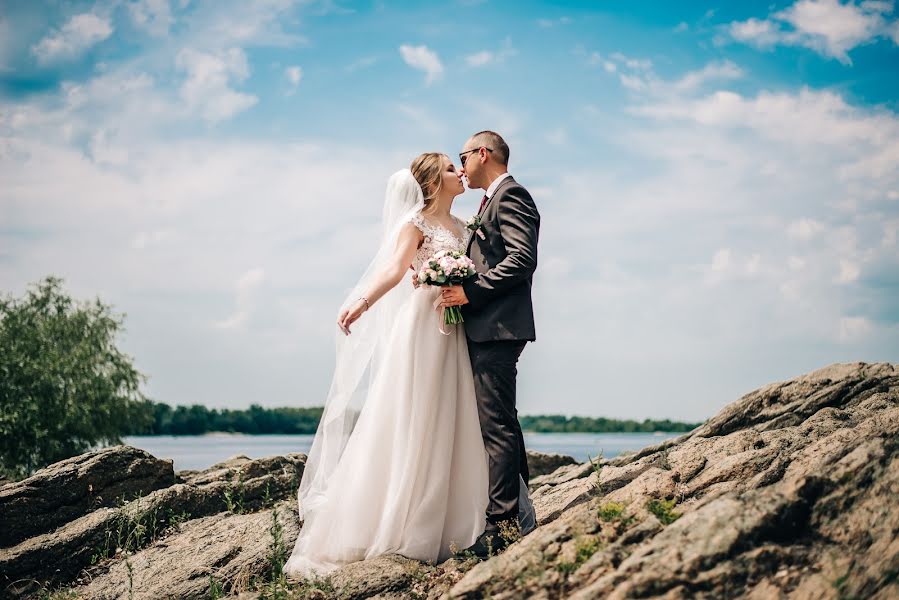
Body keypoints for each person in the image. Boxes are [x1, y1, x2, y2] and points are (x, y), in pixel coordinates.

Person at [284, 152, 535, 577]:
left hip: (456, 328)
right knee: (416, 413)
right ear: (434, 181)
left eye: (462, 164)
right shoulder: (415, 224)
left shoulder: (464, 226)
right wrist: (361, 302)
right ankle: (402, 515)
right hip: (422, 327)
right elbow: (396, 269)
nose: (460, 172)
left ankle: (465, 518)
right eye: (451, 168)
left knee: (459, 416)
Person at [438, 131, 540, 558]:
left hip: (498, 328)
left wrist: (471, 291)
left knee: (494, 425)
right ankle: (523, 515)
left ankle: (501, 528)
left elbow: (521, 258)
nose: (461, 166)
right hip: (490, 327)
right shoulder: (489, 201)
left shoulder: (512, 196)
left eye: (463, 156)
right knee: (504, 421)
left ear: (483, 153)